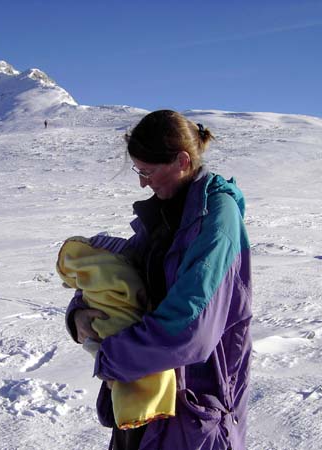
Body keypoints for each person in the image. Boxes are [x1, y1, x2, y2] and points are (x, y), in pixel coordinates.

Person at [65, 110, 252, 450]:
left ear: (181, 161)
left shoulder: (216, 221)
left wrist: (112, 357)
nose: (142, 182)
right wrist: (79, 311)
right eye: (139, 170)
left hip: (193, 410)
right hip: (148, 397)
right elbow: (125, 268)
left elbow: (192, 328)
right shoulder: (169, 212)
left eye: (147, 171)